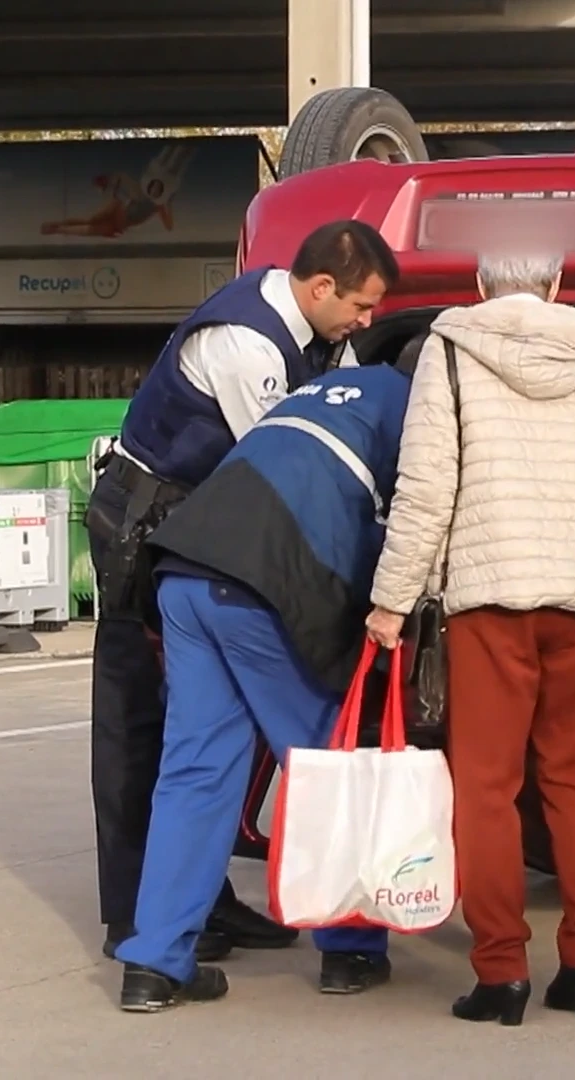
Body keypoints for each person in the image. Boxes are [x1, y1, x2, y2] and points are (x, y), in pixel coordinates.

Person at [365, 250, 575, 1026]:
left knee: (486, 789)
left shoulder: (453, 345)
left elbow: (428, 486)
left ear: (481, 288)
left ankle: (502, 973)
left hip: (492, 591)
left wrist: (391, 600)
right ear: (550, 288)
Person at [85, 219, 399, 964]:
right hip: (153, 520)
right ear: (321, 286)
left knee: (203, 743)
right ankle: (133, 915)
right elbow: (285, 462)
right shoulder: (246, 341)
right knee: (140, 723)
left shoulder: (326, 336)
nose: (365, 323)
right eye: (360, 306)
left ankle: (183, 921)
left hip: (207, 537)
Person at [111, 361, 414, 1012]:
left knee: (194, 772)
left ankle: (156, 962)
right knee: (323, 765)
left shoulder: (327, 392)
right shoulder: (413, 406)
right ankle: (350, 946)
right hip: (259, 584)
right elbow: (414, 521)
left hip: (185, 570)